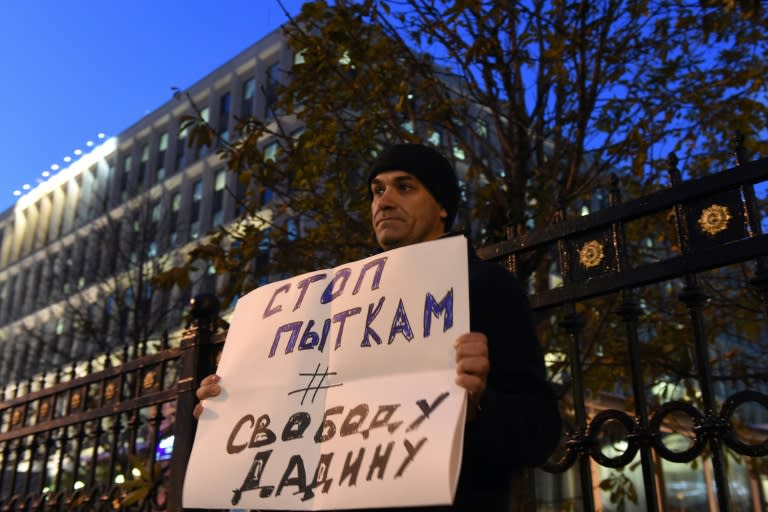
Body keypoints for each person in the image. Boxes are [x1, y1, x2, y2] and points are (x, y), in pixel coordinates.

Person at [194, 143, 561, 511]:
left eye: (405, 187)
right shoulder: (336, 302)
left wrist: (479, 404)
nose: (384, 201)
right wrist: (229, 407)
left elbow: (540, 432)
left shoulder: (486, 285)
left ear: (443, 206)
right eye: (377, 190)